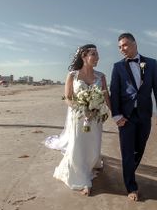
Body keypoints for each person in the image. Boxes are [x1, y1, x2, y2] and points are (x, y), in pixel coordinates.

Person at [45, 44, 110, 196]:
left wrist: (113, 113)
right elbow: (68, 98)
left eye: (97, 54)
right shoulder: (72, 75)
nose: (97, 57)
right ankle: (80, 179)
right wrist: (83, 107)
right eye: (93, 54)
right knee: (78, 144)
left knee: (94, 143)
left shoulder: (101, 76)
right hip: (79, 116)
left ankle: (92, 163)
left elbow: (106, 96)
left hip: (95, 117)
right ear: (84, 56)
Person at [110, 33, 157, 201]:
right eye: (120, 47)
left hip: (144, 114)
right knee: (127, 152)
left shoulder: (151, 63)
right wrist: (116, 115)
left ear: (135, 44)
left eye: (125, 45)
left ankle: (128, 171)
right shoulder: (117, 67)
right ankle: (131, 187)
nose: (122, 49)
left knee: (139, 148)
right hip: (125, 116)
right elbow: (115, 93)